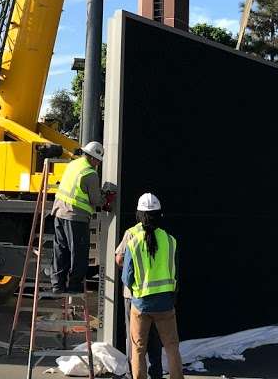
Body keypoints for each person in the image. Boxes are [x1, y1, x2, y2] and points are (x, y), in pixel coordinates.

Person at [122, 193, 183, 379]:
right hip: (165, 303)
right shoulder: (170, 240)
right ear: (159, 215)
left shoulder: (133, 242)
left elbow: (127, 278)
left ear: (139, 215)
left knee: (138, 349)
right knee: (171, 347)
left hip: (140, 304)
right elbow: (176, 272)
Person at [51, 141, 105, 294]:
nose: (98, 164)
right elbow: (95, 200)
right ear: (94, 159)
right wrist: (105, 199)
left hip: (59, 212)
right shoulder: (91, 173)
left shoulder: (73, 164)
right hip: (76, 216)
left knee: (61, 249)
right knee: (79, 252)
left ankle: (57, 285)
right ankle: (74, 285)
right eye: (98, 161)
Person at [116, 213, 163, 379]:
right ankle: (156, 373)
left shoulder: (131, 232)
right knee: (154, 336)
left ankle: (133, 373)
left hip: (133, 295)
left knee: (135, 339)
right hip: (157, 294)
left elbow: (119, 259)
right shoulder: (163, 235)